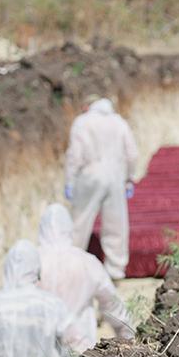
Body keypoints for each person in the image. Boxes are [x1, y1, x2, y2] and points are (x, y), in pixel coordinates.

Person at [37, 203, 135, 351]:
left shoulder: (32, 261)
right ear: (69, 229)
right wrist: (128, 336)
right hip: (80, 350)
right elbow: (111, 304)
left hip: (38, 349)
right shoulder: (86, 261)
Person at [63, 97, 138, 280]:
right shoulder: (119, 122)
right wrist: (129, 178)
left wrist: (70, 180)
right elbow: (132, 154)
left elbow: (75, 154)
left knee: (80, 222)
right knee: (116, 224)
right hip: (115, 176)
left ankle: (71, 267)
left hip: (89, 174)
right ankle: (115, 270)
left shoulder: (82, 122)